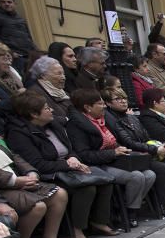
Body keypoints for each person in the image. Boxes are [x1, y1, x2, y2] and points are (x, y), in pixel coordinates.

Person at [7, 92, 114, 238]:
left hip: (71, 166)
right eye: (46, 108)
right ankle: (78, 229)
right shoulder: (19, 134)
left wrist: (73, 158)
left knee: (105, 181)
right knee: (86, 188)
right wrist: (68, 165)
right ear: (33, 114)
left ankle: (98, 221)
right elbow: (38, 164)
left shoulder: (53, 124)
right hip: (50, 174)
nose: (51, 110)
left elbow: (71, 148)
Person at [66, 89, 156, 228]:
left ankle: (130, 208)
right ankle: (126, 212)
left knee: (149, 174)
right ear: (87, 107)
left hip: (117, 159)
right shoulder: (77, 126)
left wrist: (122, 150)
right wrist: (113, 153)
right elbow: (85, 155)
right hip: (99, 164)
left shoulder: (104, 120)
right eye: (99, 103)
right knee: (136, 177)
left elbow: (118, 140)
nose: (104, 106)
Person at [0, 124, 67, 238]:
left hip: (17, 176)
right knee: (37, 207)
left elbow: (11, 153)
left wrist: (30, 172)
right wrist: (13, 181)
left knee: (60, 194)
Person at [103, 87, 165, 217]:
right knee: (163, 169)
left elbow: (146, 137)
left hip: (145, 152)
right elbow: (128, 142)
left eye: (124, 98)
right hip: (131, 156)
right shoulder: (111, 119)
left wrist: (162, 145)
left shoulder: (132, 118)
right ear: (108, 103)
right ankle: (161, 204)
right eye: (118, 99)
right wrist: (155, 149)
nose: (123, 101)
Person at [0, 0, 37, 74]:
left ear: (14, 3)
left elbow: (28, 37)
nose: (7, 4)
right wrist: (10, 52)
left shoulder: (19, 18)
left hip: (28, 55)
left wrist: (35, 51)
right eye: (3, 2)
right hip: (15, 58)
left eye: (9, 2)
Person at [27, 55, 72, 121]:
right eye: (59, 74)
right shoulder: (35, 94)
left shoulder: (61, 91)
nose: (64, 77)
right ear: (43, 76)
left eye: (63, 74)